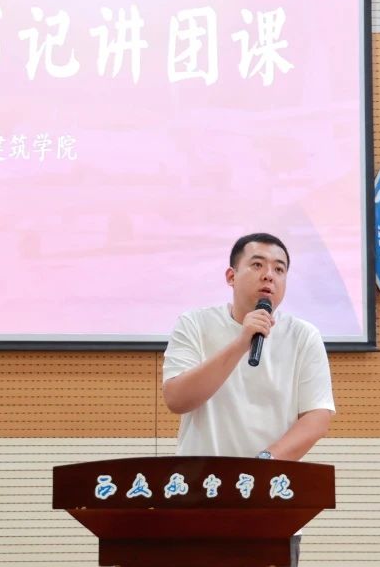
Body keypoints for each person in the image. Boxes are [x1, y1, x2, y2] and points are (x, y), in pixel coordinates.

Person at [162, 232, 335, 566]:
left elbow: (317, 417)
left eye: (279, 269)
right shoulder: (194, 324)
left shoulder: (303, 336)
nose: (269, 275)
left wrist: (263, 465)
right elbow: (177, 399)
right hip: (196, 498)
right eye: (257, 265)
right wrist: (242, 341)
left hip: (269, 503)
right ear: (231, 276)